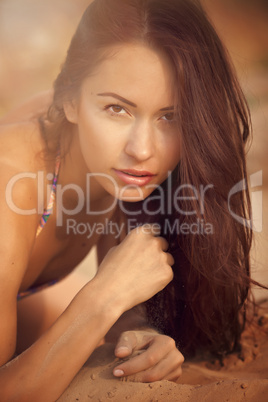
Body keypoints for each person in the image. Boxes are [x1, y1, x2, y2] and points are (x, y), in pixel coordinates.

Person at [0, 0, 259, 400]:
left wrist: (142, 333)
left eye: (170, 117)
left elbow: (120, 301)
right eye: (116, 109)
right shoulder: (10, 184)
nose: (142, 150)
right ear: (69, 99)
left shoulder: (111, 168)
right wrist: (104, 297)